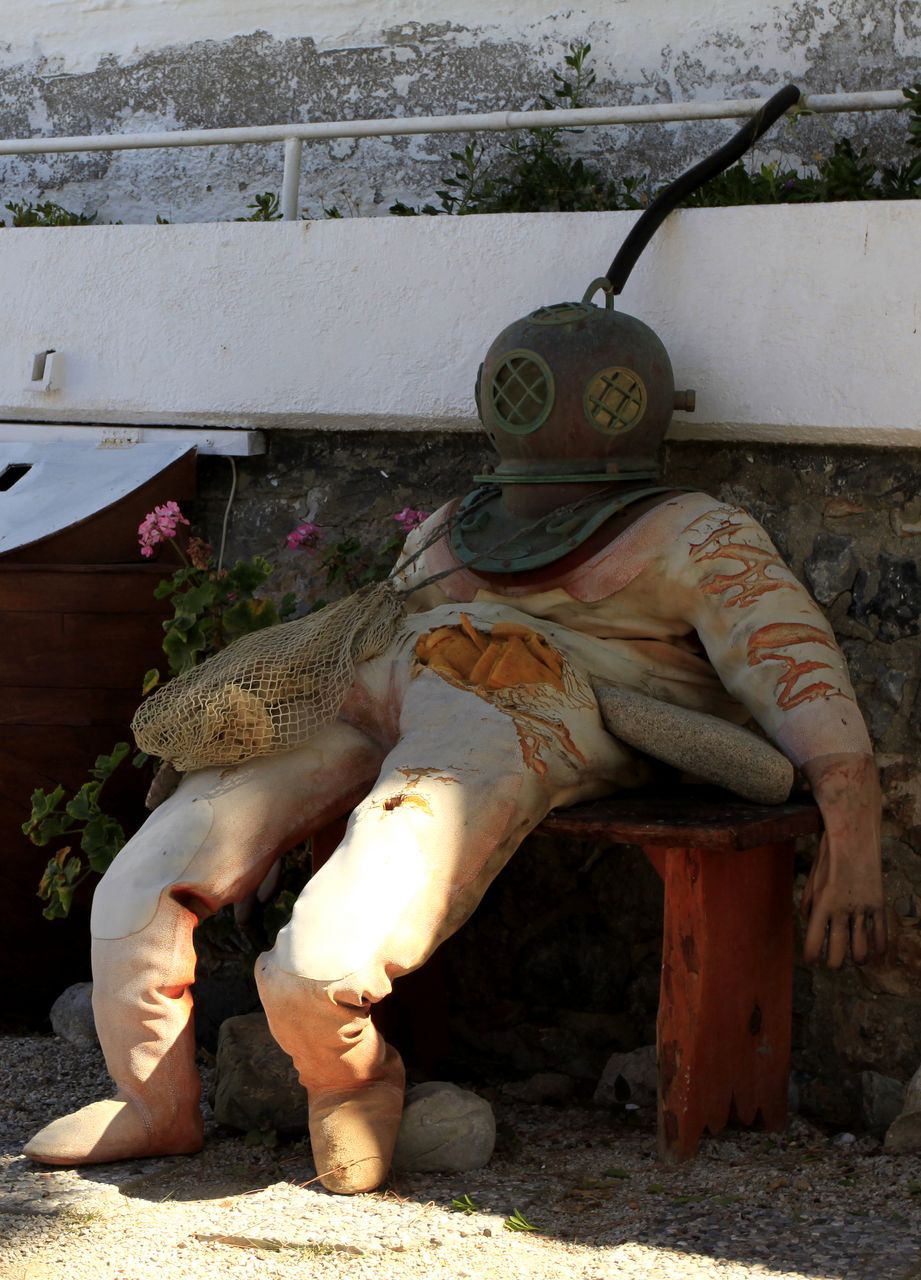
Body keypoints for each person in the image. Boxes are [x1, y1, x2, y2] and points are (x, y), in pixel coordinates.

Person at [23, 292, 886, 1194]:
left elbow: (797, 669)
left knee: (320, 964)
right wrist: (251, 811)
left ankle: (353, 1084)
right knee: (136, 889)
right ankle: (153, 1105)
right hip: (372, 688)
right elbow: (377, 625)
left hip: (522, 709)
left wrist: (851, 829)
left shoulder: (697, 535)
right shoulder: (459, 522)